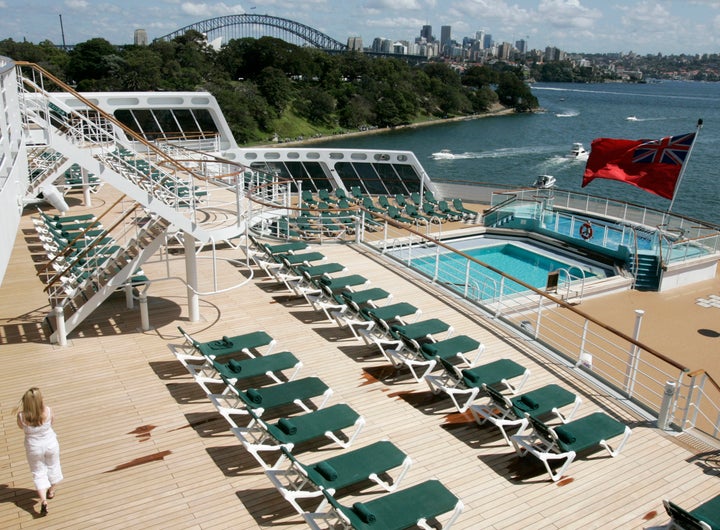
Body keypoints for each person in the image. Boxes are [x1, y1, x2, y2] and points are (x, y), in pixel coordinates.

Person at [15, 387, 63, 515]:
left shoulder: (21, 416)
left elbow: (21, 427)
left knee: (38, 472)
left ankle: (43, 501)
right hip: (50, 444)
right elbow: (52, 421)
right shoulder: (47, 411)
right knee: (53, 466)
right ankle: (51, 491)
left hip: (34, 447)